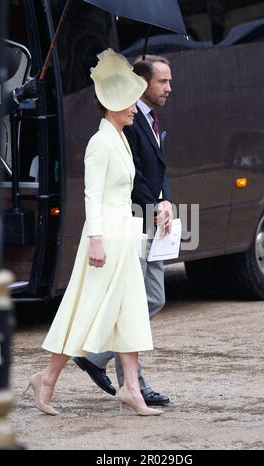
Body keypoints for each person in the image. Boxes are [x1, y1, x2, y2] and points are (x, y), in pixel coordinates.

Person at [24, 49, 163, 417]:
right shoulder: (100, 142)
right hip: (106, 238)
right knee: (85, 311)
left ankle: (131, 389)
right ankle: (47, 379)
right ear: (116, 105)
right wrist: (96, 240)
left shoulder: (119, 137)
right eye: (131, 102)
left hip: (125, 234)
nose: (136, 108)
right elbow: (92, 196)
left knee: (131, 311)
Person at [73, 55, 173, 406]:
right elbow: (131, 181)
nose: (168, 88)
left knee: (152, 297)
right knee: (130, 302)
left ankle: (95, 357)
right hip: (131, 220)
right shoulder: (124, 124)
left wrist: (166, 200)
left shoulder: (149, 119)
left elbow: (158, 168)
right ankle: (134, 384)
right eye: (162, 81)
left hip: (152, 220)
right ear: (142, 84)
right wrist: (154, 202)